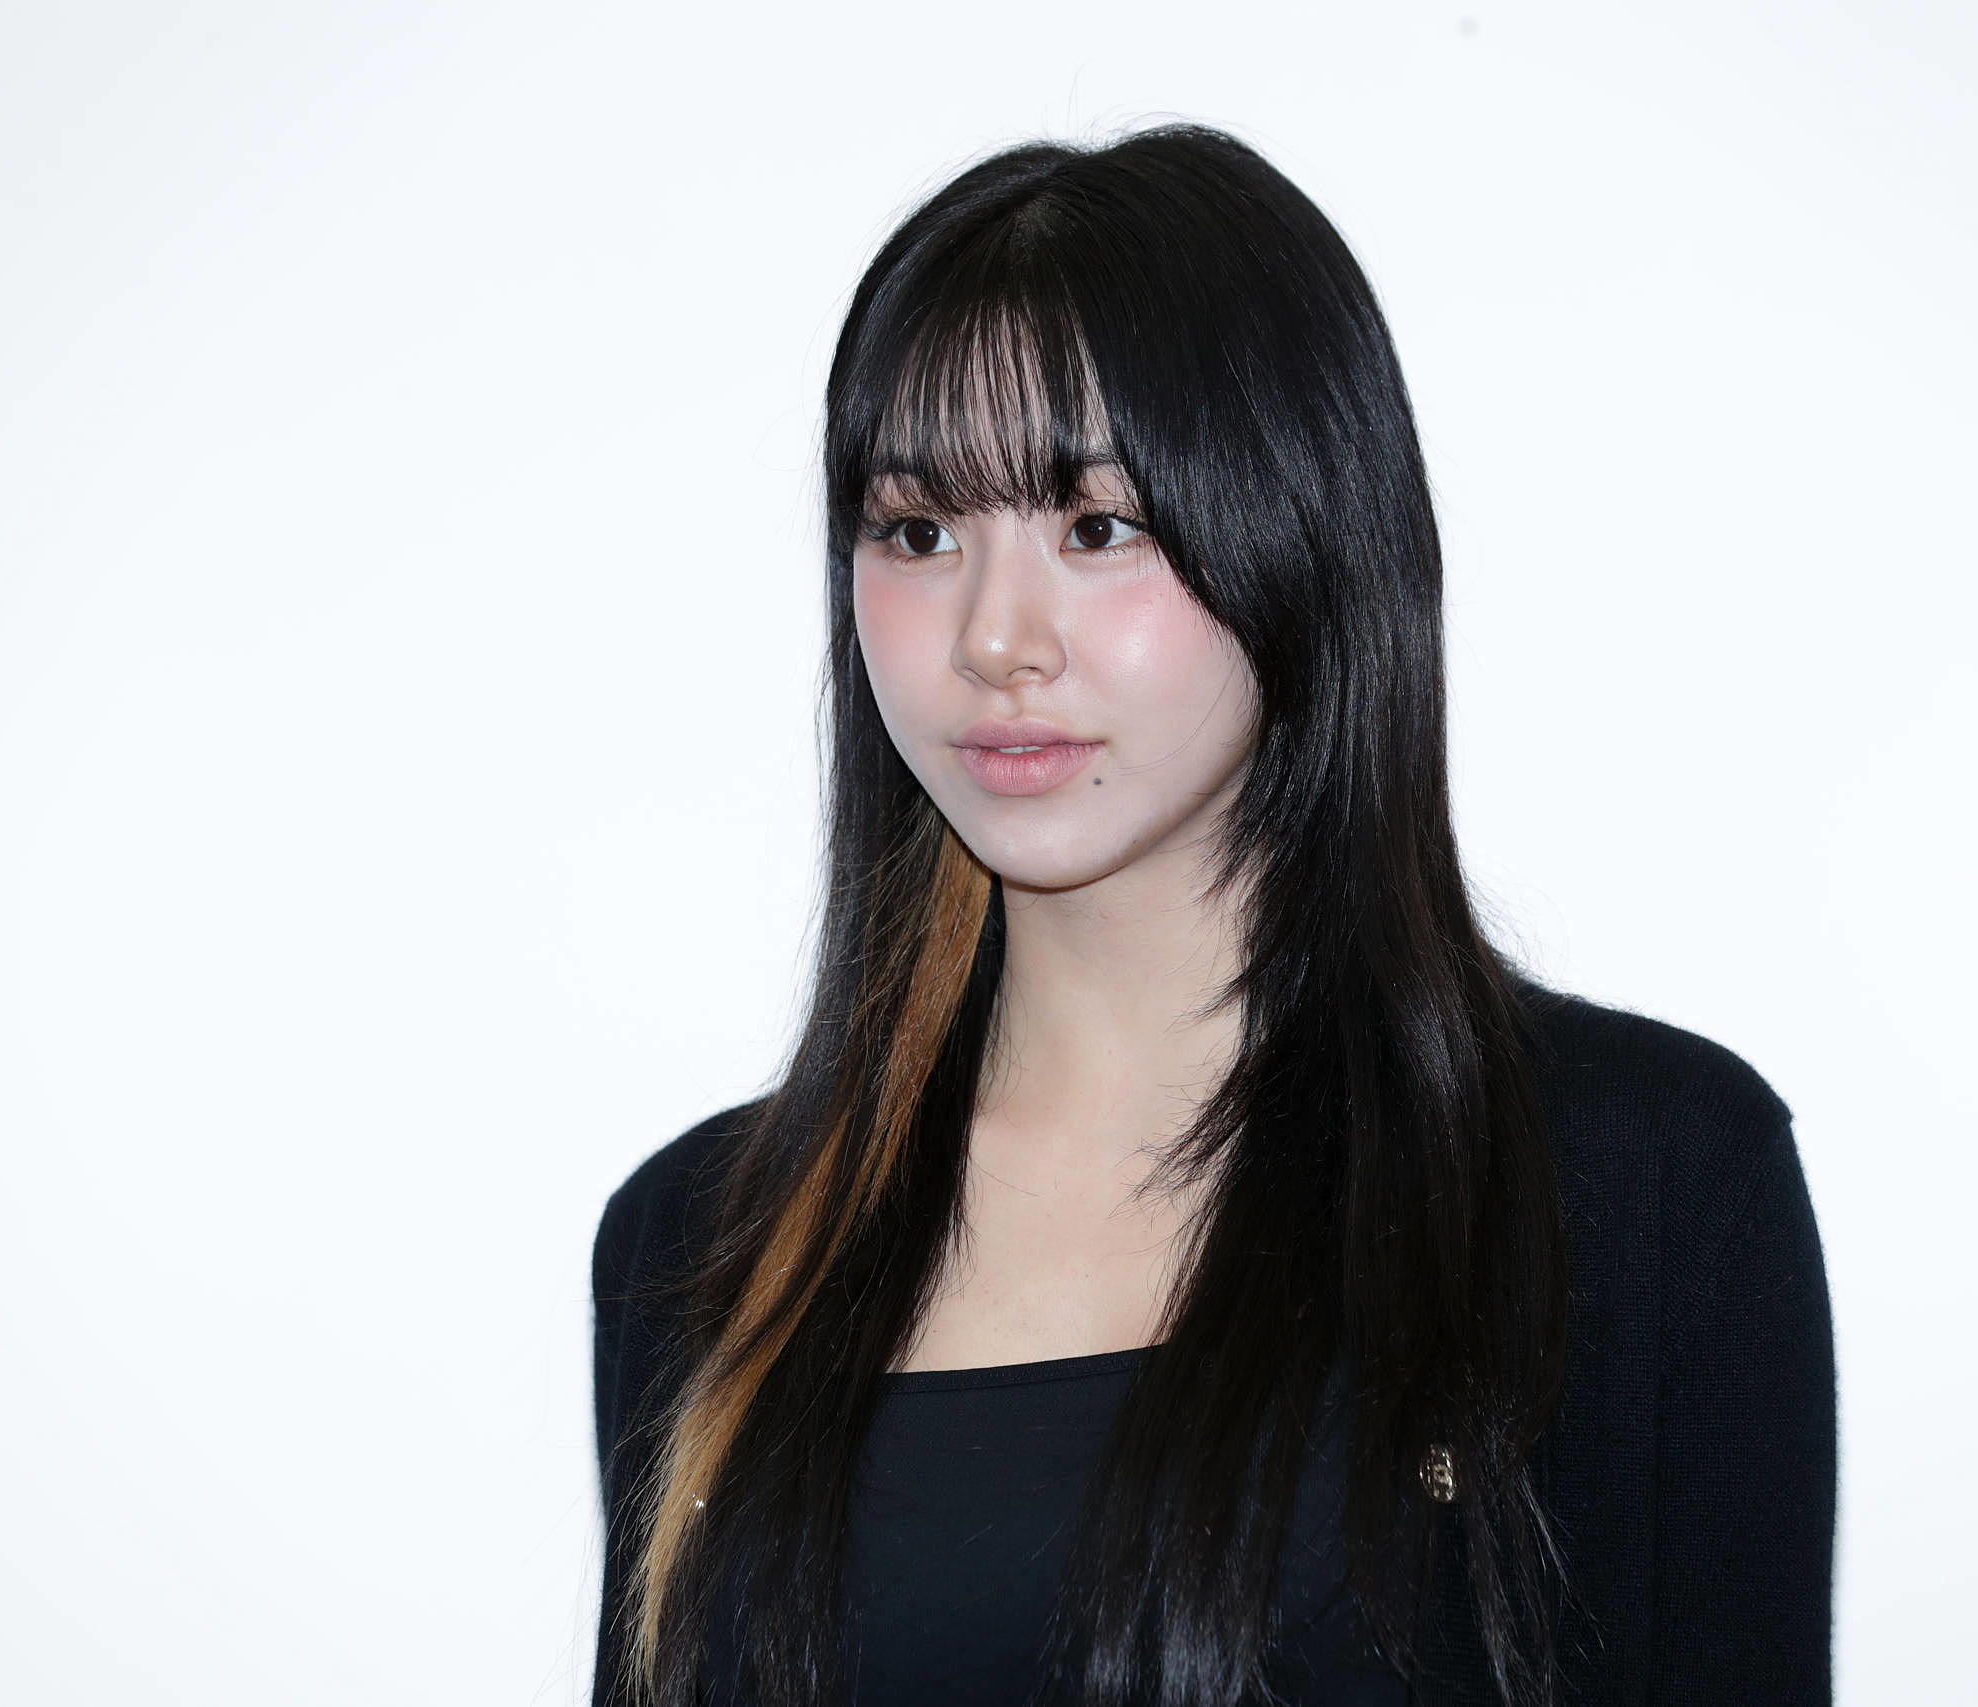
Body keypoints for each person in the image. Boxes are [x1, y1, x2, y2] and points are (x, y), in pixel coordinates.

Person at [588, 124, 1835, 1707]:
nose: (995, 638)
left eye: (1098, 527)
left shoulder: (1634, 1178)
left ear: (1302, 533)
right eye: (919, 532)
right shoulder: (705, 1243)